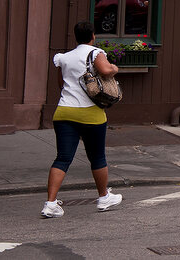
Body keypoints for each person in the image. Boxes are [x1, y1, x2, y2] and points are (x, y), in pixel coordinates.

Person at [43, 20, 123, 218]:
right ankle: (104, 197)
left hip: (64, 112)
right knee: (97, 157)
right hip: (90, 113)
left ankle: (50, 204)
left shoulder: (63, 58)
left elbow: (60, 84)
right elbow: (105, 71)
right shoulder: (96, 53)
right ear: (93, 36)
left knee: (62, 158)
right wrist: (114, 68)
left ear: (75, 36)